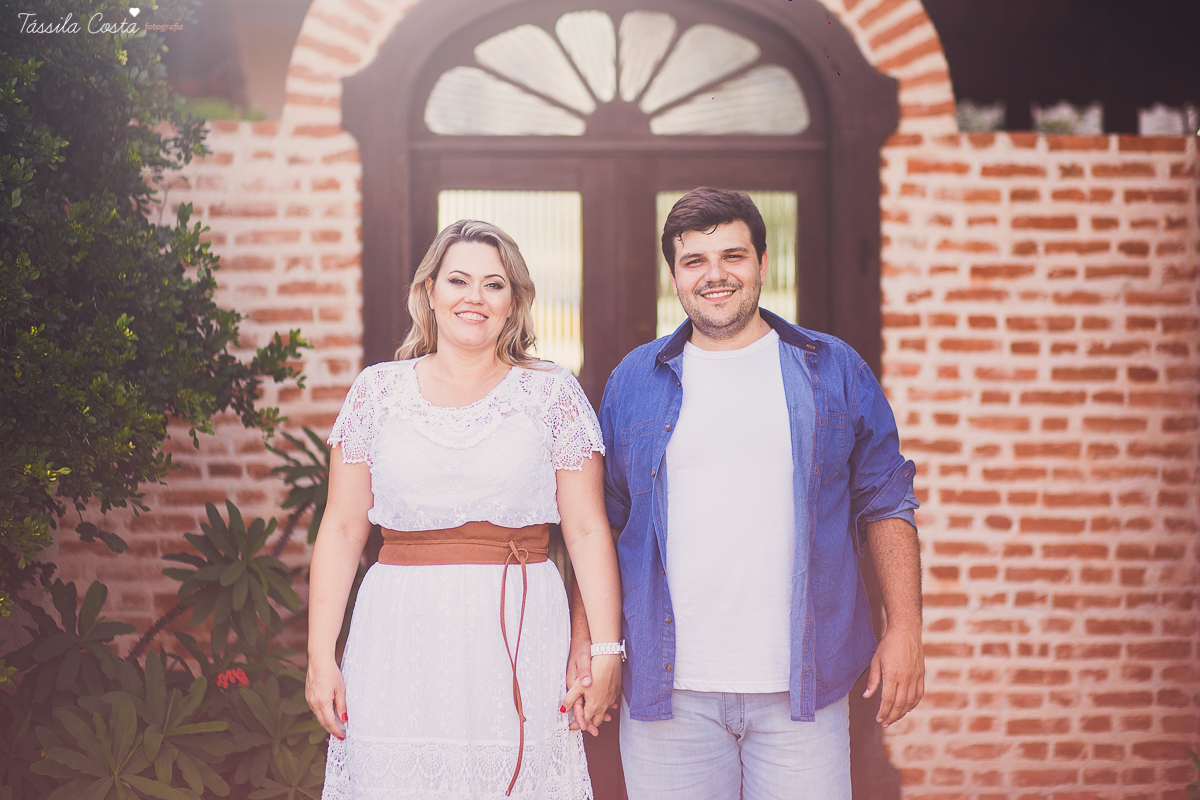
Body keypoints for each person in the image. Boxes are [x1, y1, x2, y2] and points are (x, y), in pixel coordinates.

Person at [568, 188, 924, 798]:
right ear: (674, 276)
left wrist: (906, 627)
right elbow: (604, 522)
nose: (715, 275)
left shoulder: (832, 367)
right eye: (694, 261)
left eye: (732, 256)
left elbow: (886, 500)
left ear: (762, 262)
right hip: (667, 694)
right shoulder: (635, 380)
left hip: (801, 693)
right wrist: (586, 639)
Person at [306, 219, 623, 800]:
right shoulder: (377, 392)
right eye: (458, 280)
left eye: (493, 284)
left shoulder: (552, 394)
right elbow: (344, 527)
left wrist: (604, 649)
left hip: (520, 631)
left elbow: (586, 528)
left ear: (513, 301)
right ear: (430, 291)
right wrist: (319, 656)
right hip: (399, 632)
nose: (474, 297)